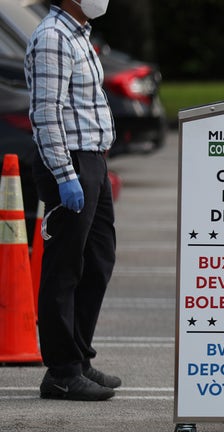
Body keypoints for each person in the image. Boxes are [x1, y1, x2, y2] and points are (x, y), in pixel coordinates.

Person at [24, 0, 121, 402]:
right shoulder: (52, 37)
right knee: (65, 267)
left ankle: (78, 358)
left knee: (98, 260)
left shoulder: (78, 34)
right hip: (71, 163)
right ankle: (61, 371)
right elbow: (46, 112)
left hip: (92, 160)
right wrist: (65, 174)